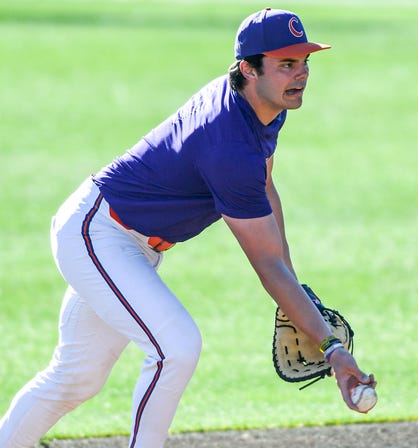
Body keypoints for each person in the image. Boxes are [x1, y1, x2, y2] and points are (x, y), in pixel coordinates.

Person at [0, 8, 376, 448]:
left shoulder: (264, 107)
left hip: (121, 242)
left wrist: (296, 291)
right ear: (248, 70)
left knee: (75, 378)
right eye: (286, 64)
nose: (302, 75)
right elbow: (266, 263)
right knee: (176, 347)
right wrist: (330, 346)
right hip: (97, 235)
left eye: (305, 62)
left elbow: (266, 186)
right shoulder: (229, 144)